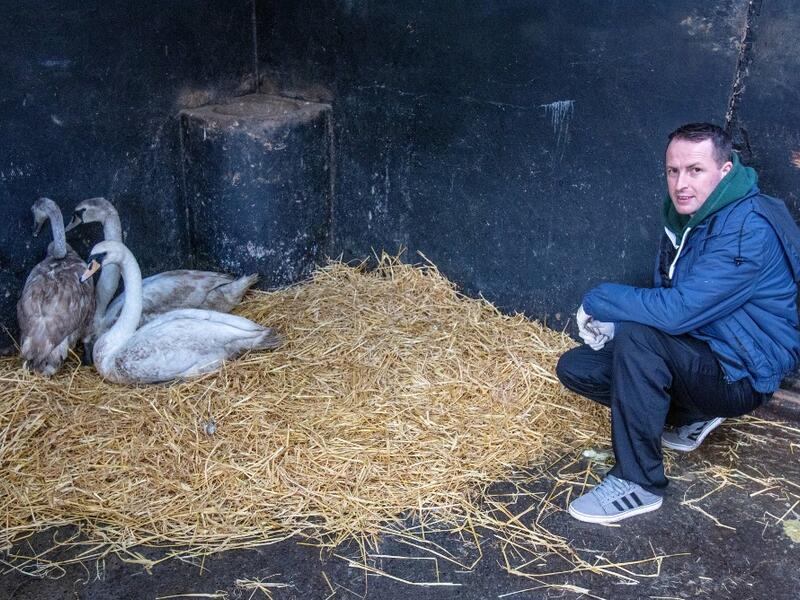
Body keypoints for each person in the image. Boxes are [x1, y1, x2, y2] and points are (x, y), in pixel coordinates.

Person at [556, 122, 800, 524]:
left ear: (724, 171)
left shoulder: (748, 228)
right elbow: (679, 301)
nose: (681, 183)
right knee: (578, 368)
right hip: (708, 347)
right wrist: (620, 327)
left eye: (695, 170)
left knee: (640, 337)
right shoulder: (690, 216)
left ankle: (638, 484)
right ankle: (692, 415)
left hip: (740, 374)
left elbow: (677, 310)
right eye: (673, 171)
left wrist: (601, 301)